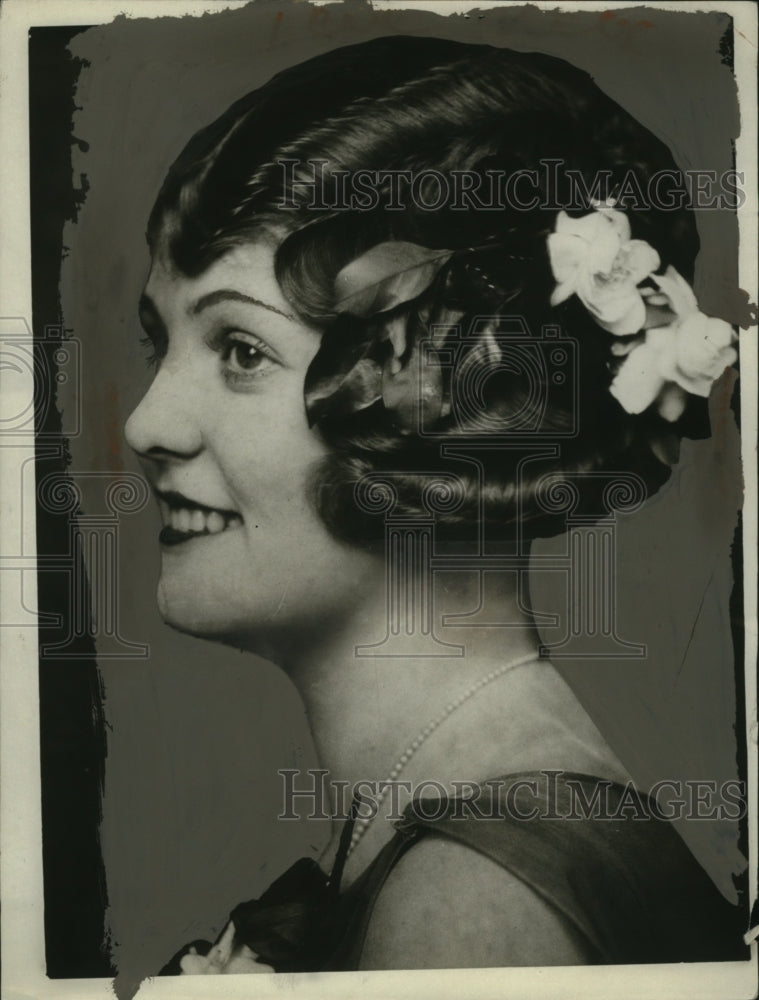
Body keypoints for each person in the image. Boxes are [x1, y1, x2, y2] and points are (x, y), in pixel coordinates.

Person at [124, 36, 744, 972]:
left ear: (461, 398)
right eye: (157, 341)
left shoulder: (470, 899)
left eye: (241, 351)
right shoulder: (441, 816)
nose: (145, 423)